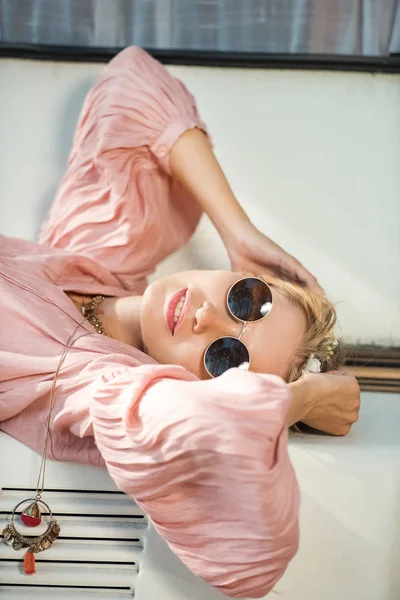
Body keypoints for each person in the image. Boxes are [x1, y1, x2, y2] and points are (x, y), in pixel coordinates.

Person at [0, 47, 360, 597]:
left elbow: (254, 558)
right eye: (248, 299)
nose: (205, 315)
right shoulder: (96, 258)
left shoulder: (95, 383)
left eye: (225, 358)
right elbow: (132, 83)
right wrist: (237, 229)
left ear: (204, 390)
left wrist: (305, 398)